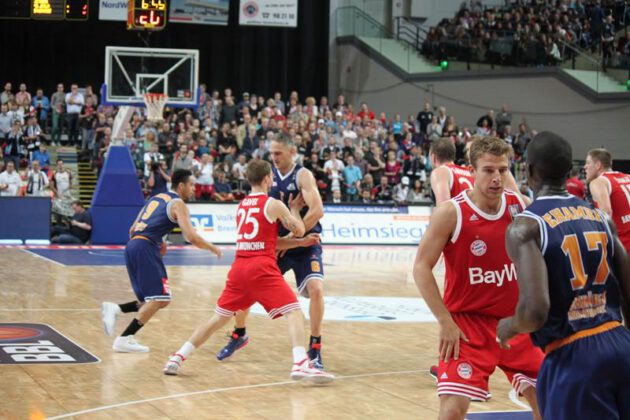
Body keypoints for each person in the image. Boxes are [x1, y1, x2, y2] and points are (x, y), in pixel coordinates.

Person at [496, 131, 630, 420]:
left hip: (574, 357)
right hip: (621, 343)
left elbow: (535, 312)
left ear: (529, 170)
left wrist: (509, 326)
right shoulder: (602, 219)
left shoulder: (526, 226)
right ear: (569, 170)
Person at [163, 160, 333, 383]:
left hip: (239, 268)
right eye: (271, 177)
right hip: (261, 268)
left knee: (218, 318)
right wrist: (293, 209)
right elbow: (300, 230)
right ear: (266, 179)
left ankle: (177, 357)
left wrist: (298, 245)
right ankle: (301, 363)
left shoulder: (242, 205)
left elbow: (270, 241)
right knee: (294, 312)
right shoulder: (273, 204)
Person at [413, 137, 543, 419]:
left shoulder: (518, 205)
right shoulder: (451, 213)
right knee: (452, 412)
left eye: (502, 170)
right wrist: (445, 321)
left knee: (548, 405)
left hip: (515, 322)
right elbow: (421, 267)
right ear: (472, 171)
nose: (497, 178)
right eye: (488, 170)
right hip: (468, 326)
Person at [217, 133, 327, 369]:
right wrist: (284, 239)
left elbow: (317, 210)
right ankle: (239, 333)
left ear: (291, 152)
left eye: (278, 153)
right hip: (277, 246)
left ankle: (315, 347)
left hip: (306, 241)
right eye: (272, 153)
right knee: (247, 287)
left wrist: (296, 235)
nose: (274, 157)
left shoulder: (302, 175)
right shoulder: (267, 176)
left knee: (316, 289)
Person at [100, 169, 222, 352]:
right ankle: (124, 337)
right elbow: (191, 237)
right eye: (191, 185)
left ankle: (117, 311)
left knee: (158, 300)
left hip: (133, 246)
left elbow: (133, 229)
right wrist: (212, 247)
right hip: (144, 248)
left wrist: (158, 241)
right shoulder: (178, 203)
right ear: (181, 186)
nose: (193, 189)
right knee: (159, 299)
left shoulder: (156, 198)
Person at [584, 148, 630, 252]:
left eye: (588, 163)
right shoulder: (628, 177)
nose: (585, 167)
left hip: (623, 247)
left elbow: (606, 213)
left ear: (598, 165)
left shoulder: (598, 182)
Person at [429, 137, 474, 204]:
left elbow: (443, 209)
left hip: (457, 214)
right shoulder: (469, 172)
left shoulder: (440, 172)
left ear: (433, 157)